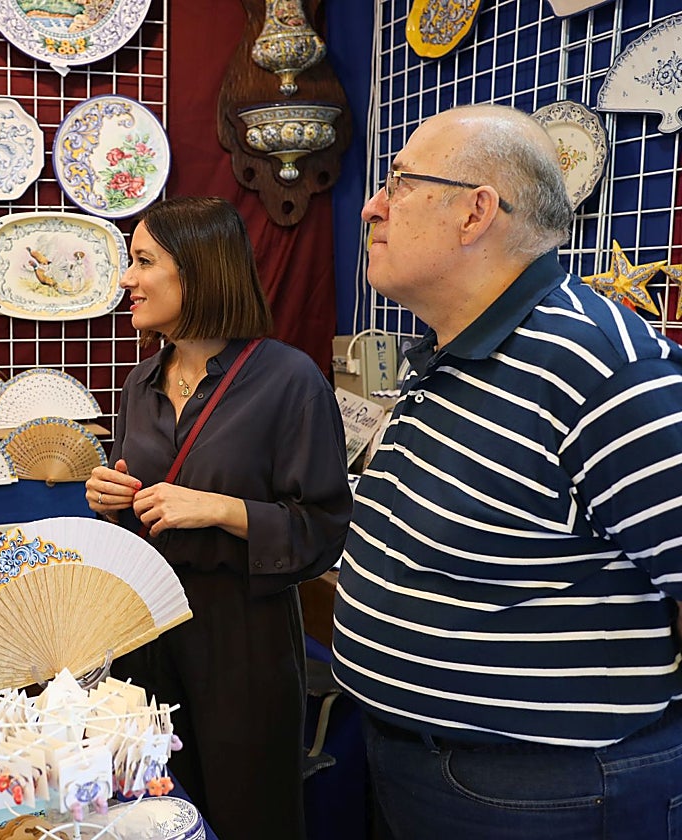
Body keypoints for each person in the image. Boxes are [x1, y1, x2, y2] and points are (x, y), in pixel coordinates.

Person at [332, 103, 682, 839]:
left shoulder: (597, 367)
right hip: (429, 771)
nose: (371, 206)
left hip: (540, 794)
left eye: (397, 183)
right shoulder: (458, 350)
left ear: (474, 213)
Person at [86, 196, 352, 839]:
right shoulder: (140, 382)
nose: (126, 278)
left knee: (247, 811)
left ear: (199, 271)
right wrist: (111, 496)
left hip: (244, 642)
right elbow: (141, 509)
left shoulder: (290, 380)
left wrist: (220, 509)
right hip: (145, 639)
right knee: (154, 811)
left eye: (143, 260)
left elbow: (323, 530)